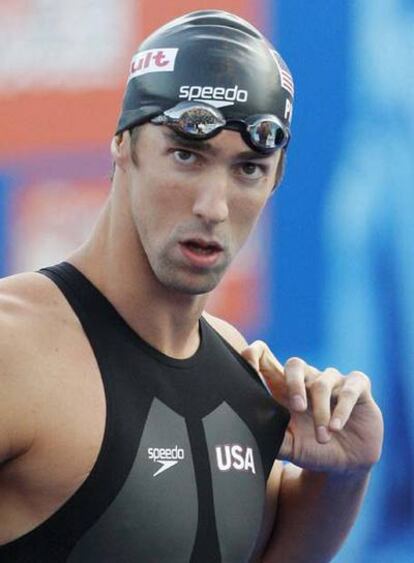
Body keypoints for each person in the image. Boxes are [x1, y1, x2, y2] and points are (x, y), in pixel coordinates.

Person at [0, 9, 383, 563]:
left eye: (248, 168)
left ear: (275, 178)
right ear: (124, 145)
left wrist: (345, 477)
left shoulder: (246, 378)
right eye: (186, 154)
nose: (213, 206)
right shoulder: (14, 349)